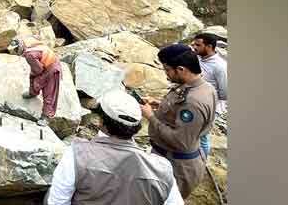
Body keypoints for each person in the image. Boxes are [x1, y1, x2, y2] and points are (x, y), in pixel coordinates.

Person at [45, 90, 184, 205]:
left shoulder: (76, 154)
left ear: (100, 121)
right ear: (136, 127)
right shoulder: (163, 168)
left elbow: (56, 202)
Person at [139, 44, 217, 199]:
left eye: (167, 70)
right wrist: (158, 103)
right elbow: (178, 110)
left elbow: (181, 141)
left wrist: (150, 117)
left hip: (176, 166)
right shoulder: (202, 87)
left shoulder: (193, 102)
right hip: (170, 158)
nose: (166, 75)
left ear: (181, 69)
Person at [9, 36, 61, 126]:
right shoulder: (27, 40)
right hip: (45, 62)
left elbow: (38, 70)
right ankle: (33, 92)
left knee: (48, 92)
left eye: (15, 49)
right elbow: (38, 37)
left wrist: (35, 75)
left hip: (52, 68)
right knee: (33, 78)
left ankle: (46, 116)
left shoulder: (29, 55)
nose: (15, 52)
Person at [191, 32, 228, 156]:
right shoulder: (197, 58)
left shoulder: (220, 66)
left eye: (198, 45)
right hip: (195, 102)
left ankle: (202, 161)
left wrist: (206, 96)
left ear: (209, 46)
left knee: (202, 136)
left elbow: (225, 93)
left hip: (211, 106)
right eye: (194, 44)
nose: (194, 47)